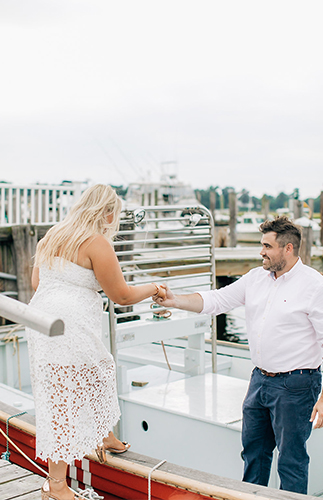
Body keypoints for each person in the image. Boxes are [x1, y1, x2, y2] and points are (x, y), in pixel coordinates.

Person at [154, 215, 323, 494]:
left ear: (288, 249)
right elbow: (217, 300)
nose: (261, 252)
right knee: (253, 454)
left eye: (267, 246)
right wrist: (175, 300)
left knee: (291, 461)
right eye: (262, 245)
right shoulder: (256, 278)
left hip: (297, 386)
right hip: (259, 380)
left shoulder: (314, 286)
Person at [26, 184, 165, 500]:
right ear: (106, 212)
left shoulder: (52, 236)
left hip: (42, 321)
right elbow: (122, 295)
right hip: (69, 324)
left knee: (96, 372)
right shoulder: (95, 243)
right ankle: (56, 484)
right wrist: (154, 288)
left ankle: (104, 435)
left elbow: (37, 283)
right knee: (65, 398)